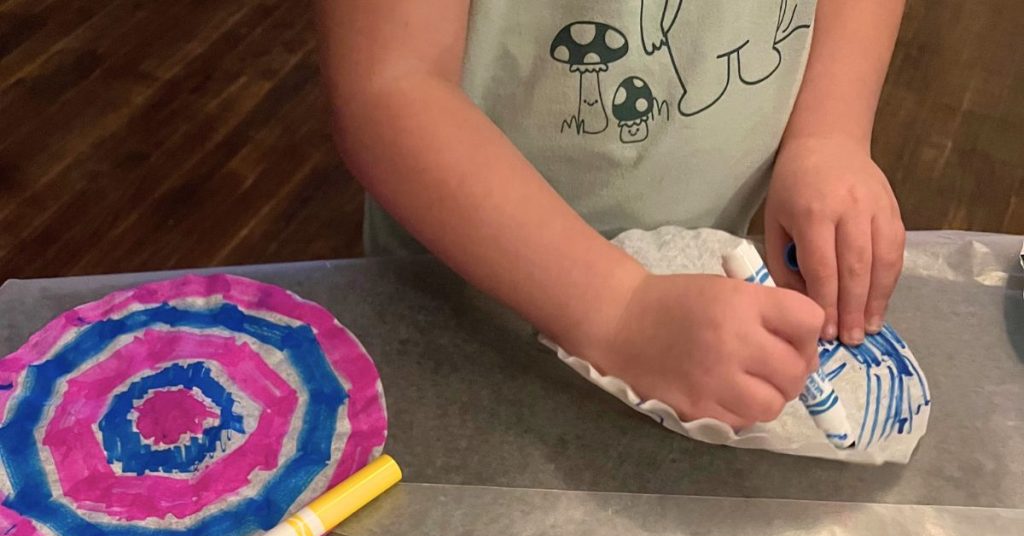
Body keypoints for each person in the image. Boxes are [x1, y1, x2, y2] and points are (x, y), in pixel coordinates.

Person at [317, 0, 906, 429]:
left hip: (703, 299)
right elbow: (389, 82)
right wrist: (619, 310)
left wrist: (832, 131)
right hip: (462, 299)